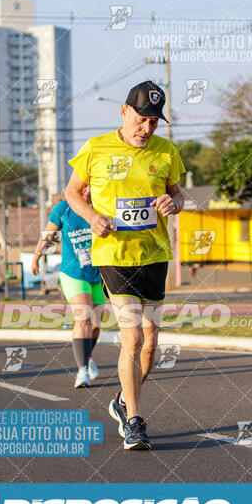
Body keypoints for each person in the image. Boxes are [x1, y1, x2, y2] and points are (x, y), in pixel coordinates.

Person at [65, 80, 185, 450]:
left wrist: (173, 203)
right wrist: (91, 216)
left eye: (154, 121)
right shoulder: (95, 148)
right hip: (114, 256)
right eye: (142, 119)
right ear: (124, 111)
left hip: (154, 255)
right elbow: (71, 192)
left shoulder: (166, 151)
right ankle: (135, 421)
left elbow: (179, 193)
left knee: (150, 345)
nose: (147, 128)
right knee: (131, 337)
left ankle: (121, 400)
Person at [32, 184, 105, 388]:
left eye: (91, 187)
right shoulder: (63, 209)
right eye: (83, 187)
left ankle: (87, 356)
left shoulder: (102, 206)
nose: (87, 191)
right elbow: (48, 235)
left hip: (99, 273)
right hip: (73, 273)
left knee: (97, 324)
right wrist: (36, 257)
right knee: (83, 318)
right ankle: (82, 371)